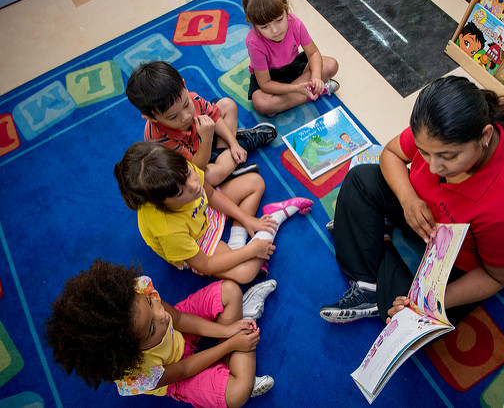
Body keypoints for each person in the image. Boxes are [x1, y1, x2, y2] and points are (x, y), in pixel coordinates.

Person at [320, 75, 504, 325]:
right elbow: (392, 153)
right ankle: (369, 278)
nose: (434, 167)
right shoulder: (437, 126)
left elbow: (495, 277)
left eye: (447, 157)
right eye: (424, 152)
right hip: (420, 212)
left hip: (454, 260)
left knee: (400, 314)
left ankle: (378, 238)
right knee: (360, 179)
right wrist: (407, 200)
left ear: (485, 136)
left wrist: (426, 300)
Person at [45, 259, 277, 407]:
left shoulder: (137, 295)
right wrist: (229, 344)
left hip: (181, 332)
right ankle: (246, 323)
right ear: (128, 353)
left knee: (230, 290)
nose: (161, 315)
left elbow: (177, 318)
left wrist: (226, 331)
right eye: (152, 328)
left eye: (150, 302)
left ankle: (237, 355)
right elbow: (185, 369)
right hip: (179, 374)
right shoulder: (135, 375)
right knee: (238, 394)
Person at [114, 141, 313, 284]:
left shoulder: (178, 171)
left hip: (205, 212)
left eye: (189, 174)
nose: (194, 185)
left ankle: (239, 239)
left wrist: (247, 219)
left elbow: (210, 194)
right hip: (198, 241)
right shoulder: (169, 230)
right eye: (181, 191)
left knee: (255, 182)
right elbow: (206, 264)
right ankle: (276, 217)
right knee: (245, 273)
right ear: (161, 203)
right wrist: (250, 251)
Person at [126, 61, 278, 187]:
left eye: (186, 104)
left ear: (184, 86)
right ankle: (243, 144)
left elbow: (215, 116)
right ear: (152, 119)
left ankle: (232, 154)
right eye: (173, 117)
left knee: (227, 105)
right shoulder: (159, 138)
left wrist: (233, 144)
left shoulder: (193, 98)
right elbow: (197, 167)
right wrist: (207, 138)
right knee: (208, 178)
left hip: (204, 137)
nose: (186, 117)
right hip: (194, 159)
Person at [242, 0, 340, 116]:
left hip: (294, 67)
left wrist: (316, 76)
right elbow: (265, 84)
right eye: (264, 27)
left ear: (286, 7)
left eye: (279, 20)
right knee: (261, 103)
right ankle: (312, 91)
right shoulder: (254, 42)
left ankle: (283, 102)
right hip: (271, 77)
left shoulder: (296, 24)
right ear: (250, 22)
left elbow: (313, 53)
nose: (275, 30)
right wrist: (296, 88)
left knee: (331, 65)